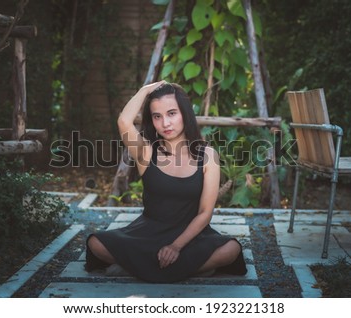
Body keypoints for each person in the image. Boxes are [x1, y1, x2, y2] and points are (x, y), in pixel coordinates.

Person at [85, 81, 247, 283]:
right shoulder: (146, 151)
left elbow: (205, 213)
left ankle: (136, 268)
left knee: (231, 250)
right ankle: (189, 269)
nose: (165, 123)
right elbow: (124, 122)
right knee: (95, 243)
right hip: (147, 234)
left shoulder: (208, 155)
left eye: (172, 113)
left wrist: (176, 246)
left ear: (185, 114)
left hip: (192, 236)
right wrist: (145, 90)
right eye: (157, 116)